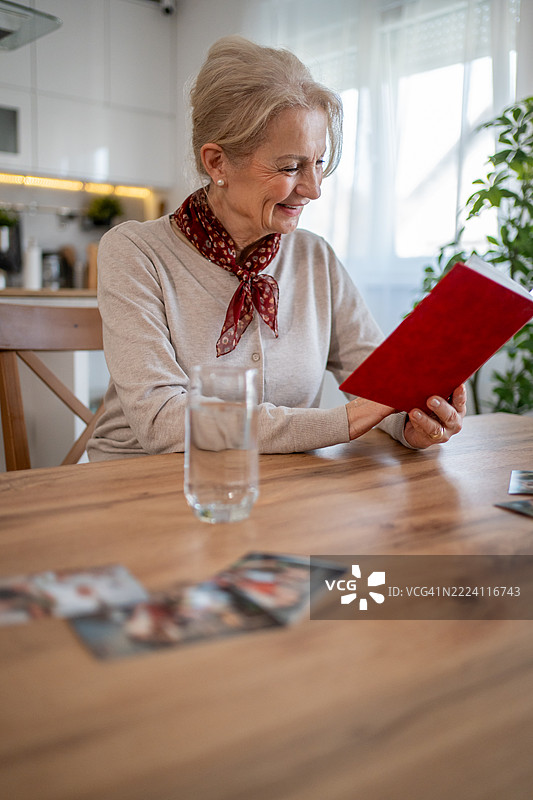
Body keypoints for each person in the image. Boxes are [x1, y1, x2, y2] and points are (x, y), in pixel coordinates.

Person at [87, 36, 465, 462]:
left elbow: (378, 385)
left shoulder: (314, 258)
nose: (314, 189)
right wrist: (343, 422)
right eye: (290, 167)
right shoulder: (135, 252)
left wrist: (411, 422)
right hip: (140, 487)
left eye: (319, 162)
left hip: (275, 488)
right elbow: (163, 422)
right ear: (217, 163)